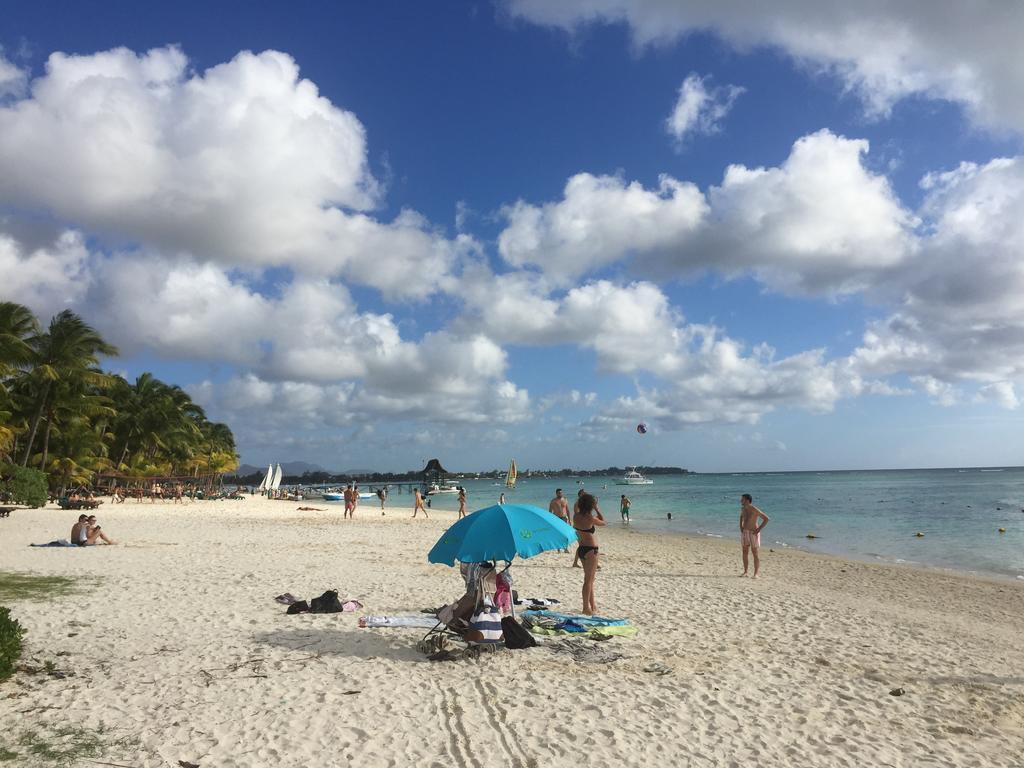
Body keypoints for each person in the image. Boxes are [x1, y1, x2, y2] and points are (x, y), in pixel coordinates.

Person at [573, 493, 604, 615]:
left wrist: (581, 500)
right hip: (591, 550)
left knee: (590, 580)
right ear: (590, 505)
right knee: (588, 580)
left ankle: (592, 606)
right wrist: (597, 509)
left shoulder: (576, 516)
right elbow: (603, 522)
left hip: (582, 549)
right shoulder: (591, 518)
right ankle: (586, 608)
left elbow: (576, 507)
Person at [739, 493, 770, 579]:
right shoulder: (743, 508)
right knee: (744, 552)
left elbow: (766, 519)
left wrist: (759, 529)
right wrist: (741, 526)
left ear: (748, 500)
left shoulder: (755, 509)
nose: (741, 501)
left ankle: (756, 574)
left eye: (742, 499)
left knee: (755, 553)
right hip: (745, 532)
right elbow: (741, 517)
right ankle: (745, 572)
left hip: (753, 533)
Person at [548, 489, 571, 553]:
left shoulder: (565, 500)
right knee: (557, 533)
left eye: (561, 493)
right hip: (556, 518)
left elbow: (567, 510)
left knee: (565, 533)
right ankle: (558, 548)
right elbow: (550, 511)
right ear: (556, 493)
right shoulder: (553, 501)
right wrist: (550, 520)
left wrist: (569, 520)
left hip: (564, 518)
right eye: (558, 493)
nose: (560, 494)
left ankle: (565, 548)